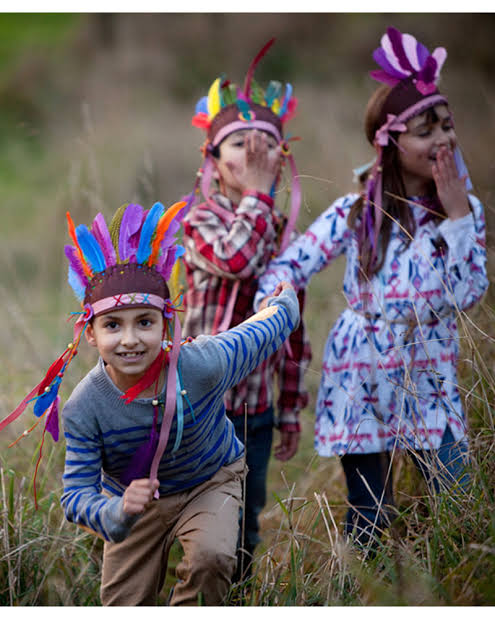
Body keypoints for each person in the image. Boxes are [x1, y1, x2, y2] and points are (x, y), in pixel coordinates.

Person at [254, 26, 488, 552]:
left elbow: (471, 289)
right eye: (426, 131)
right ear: (389, 141)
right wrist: (276, 308)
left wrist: (455, 222)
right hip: (360, 372)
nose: (444, 140)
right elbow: (288, 267)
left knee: (455, 493)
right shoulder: (359, 211)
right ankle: (365, 584)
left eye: (448, 126)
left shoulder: (461, 213)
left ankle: (454, 573)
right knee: (370, 509)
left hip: (428, 371)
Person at [2, 200, 300, 605]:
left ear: (167, 324)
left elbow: (254, 336)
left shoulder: (201, 365)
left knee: (211, 559)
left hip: (210, 478)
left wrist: (283, 305)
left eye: (144, 322)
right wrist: (117, 511)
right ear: (89, 335)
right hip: (131, 499)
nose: (129, 339)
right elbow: (75, 495)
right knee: (124, 603)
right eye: (112, 326)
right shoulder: (85, 407)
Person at [182, 39, 312, 578]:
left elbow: (294, 330)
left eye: (265, 144)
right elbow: (234, 260)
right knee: (192, 517)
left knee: (246, 522)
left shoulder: (285, 236)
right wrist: (259, 197)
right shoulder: (198, 220)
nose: (253, 154)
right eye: (238, 144)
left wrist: (287, 409)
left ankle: (234, 597)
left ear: (282, 159)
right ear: (212, 159)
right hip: (199, 403)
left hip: (254, 411)